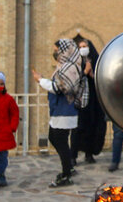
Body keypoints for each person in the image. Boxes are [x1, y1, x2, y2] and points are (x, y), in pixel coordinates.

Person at [34, 39, 88, 187]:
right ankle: (68, 167)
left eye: (57, 49)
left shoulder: (69, 68)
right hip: (60, 110)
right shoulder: (66, 66)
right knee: (56, 138)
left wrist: (40, 80)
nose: (55, 52)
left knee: (60, 141)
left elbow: (59, 88)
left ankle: (66, 173)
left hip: (65, 111)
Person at [72, 38, 106, 165]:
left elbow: (101, 78)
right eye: (80, 47)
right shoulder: (76, 63)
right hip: (80, 103)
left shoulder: (96, 61)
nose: (83, 48)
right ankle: (73, 155)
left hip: (94, 102)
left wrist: (92, 75)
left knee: (92, 127)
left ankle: (89, 153)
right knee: (77, 129)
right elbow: (73, 81)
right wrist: (84, 72)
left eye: (85, 46)